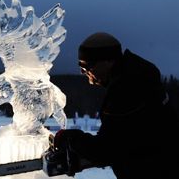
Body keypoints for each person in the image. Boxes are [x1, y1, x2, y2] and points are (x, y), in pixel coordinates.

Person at [53, 32, 178, 179]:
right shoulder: (140, 75)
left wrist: (71, 138)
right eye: (80, 65)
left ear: (107, 61)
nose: (83, 71)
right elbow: (128, 141)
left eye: (87, 65)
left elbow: (106, 151)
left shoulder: (127, 89)